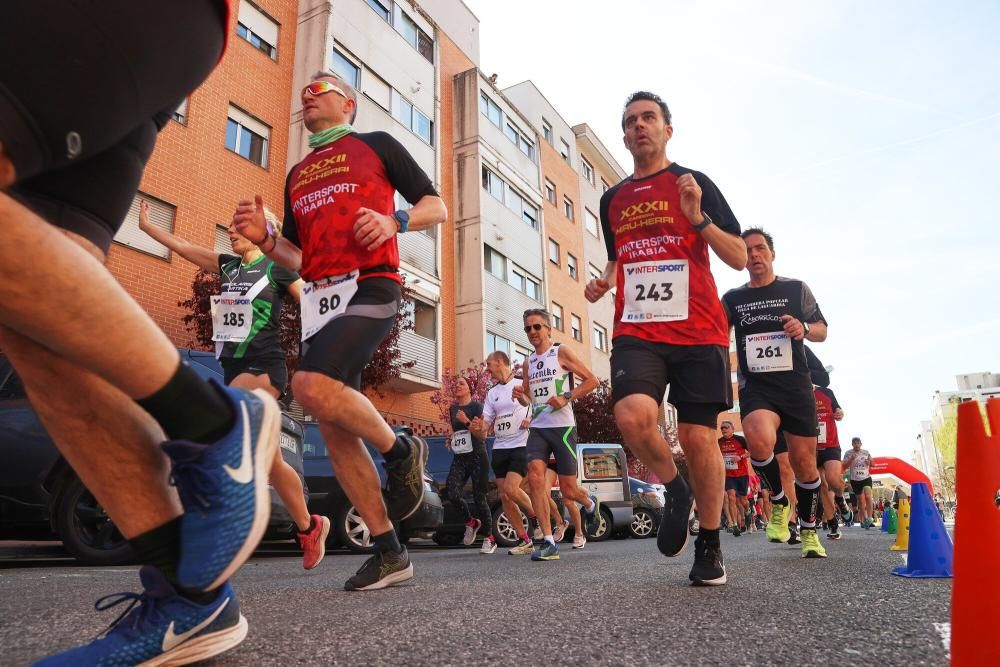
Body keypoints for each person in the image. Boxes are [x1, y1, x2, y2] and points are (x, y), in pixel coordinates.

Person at [1, 3, 283, 663]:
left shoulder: (265, 265)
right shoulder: (227, 264)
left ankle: (226, 434)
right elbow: (196, 254)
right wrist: (154, 233)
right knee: (33, 323)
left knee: (279, 444)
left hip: (136, 17)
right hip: (145, 35)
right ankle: (190, 599)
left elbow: (303, 282)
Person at [233, 73, 447, 590]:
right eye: (304, 92)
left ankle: (401, 450)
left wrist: (395, 220)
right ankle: (390, 552)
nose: (309, 96)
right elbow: (298, 260)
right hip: (320, 300)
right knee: (332, 425)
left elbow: (436, 206)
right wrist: (265, 239)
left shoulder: (376, 146)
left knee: (308, 386)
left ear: (348, 103)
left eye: (321, 88)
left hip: (371, 286)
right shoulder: (298, 174)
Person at [585, 91, 747, 586]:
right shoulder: (611, 199)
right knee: (632, 416)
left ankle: (711, 543)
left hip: (699, 329)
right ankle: (676, 490)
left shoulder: (693, 183)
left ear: (667, 129)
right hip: (638, 328)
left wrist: (698, 218)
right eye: (630, 121)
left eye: (648, 118)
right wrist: (604, 280)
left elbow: (739, 256)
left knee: (700, 437)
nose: (639, 127)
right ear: (625, 133)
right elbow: (619, 258)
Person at [138, 201, 331, 568]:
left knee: (228, 435)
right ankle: (309, 526)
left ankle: (222, 530)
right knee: (273, 462)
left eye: (237, 227)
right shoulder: (227, 267)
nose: (231, 232)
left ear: (260, 230)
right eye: (228, 227)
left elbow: (313, 302)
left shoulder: (277, 269)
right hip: (234, 366)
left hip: (264, 366)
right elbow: (182, 247)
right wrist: (148, 227)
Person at [721, 228, 829, 559]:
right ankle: (780, 503)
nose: (754, 254)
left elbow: (822, 330)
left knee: (805, 464)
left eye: (760, 248)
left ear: (771, 253)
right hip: (757, 386)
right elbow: (715, 335)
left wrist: (805, 329)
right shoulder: (733, 298)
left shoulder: (795, 289)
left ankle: (810, 531)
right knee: (756, 438)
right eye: (747, 250)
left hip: (795, 385)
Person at [512, 309, 599, 561]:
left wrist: (566, 397)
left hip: (563, 428)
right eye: (527, 328)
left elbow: (592, 381)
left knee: (569, 491)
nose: (532, 332)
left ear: (549, 329)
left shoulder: (561, 352)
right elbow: (530, 397)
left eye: (537, 327)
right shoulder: (528, 362)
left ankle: (591, 503)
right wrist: (521, 397)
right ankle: (549, 542)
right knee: (537, 479)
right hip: (538, 428)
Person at [471, 351, 537, 555]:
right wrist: (477, 426)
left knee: (510, 488)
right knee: (505, 496)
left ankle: (537, 517)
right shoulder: (492, 393)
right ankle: (524, 539)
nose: (487, 369)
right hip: (500, 447)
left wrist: (532, 419)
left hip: (521, 444)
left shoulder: (521, 382)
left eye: (489, 364)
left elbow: (540, 405)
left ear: (500, 362)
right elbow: (486, 425)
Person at [802, 346, 850, 540]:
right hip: (810, 447)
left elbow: (838, 411)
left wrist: (839, 413)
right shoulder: (797, 396)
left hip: (830, 444)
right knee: (820, 484)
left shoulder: (826, 392)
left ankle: (840, 498)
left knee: (832, 479)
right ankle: (832, 523)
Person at [445, 377, 495, 552]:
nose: (457, 385)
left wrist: (466, 420)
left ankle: (489, 538)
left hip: (477, 456)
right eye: (455, 383)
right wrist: (450, 438)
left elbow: (482, 436)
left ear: (469, 389)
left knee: (479, 498)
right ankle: (471, 522)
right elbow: (454, 430)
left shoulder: (477, 407)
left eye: (461, 383)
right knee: (452, 493)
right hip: (460, 457)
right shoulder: (452, 408)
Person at [718, 421, 751, 536]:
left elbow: (752, 451)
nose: (723, 429)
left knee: (743, 501)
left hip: (742, 474)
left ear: (732, 428)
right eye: (721, 428)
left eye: (726, 427)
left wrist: (740, 457)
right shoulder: (719, 442)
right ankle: (735, 525)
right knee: (731, 498)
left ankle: (748, 511)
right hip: (728, 475)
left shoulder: (740, 439)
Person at [844, 437, 875, 528]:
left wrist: (869, 462)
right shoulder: (848, 453)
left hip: (866, 478)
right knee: (861, 501)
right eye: (854, 443)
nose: (856, 444)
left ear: (861, 444)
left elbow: (873, 464)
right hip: (855, 480)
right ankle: (865, 519)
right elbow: (844, 465)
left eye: (858, 443)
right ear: (852, 444)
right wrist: (851, 460)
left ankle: (869, 518)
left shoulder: (866, 452)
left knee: (868, 496)